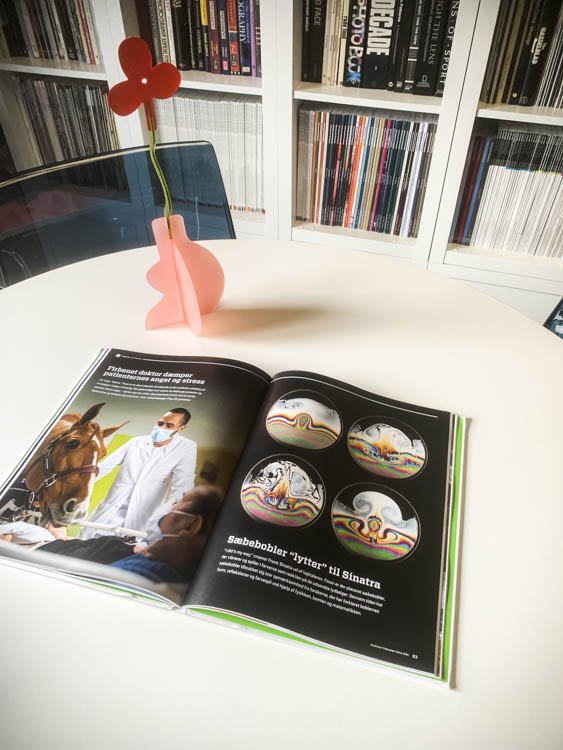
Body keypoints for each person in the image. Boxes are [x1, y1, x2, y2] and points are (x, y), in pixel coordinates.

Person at [80, 408, 197, 541]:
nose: (162, 428)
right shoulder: (136, 442)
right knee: (88, 542)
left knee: (123, 547)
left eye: (169, 426)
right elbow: (104, 467)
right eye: (160, 423)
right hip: (110, 511)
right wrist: (77, 483)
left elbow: (183, 487)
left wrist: (162, 517)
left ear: (181, 428)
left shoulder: (186, 448)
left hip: (141, 518)